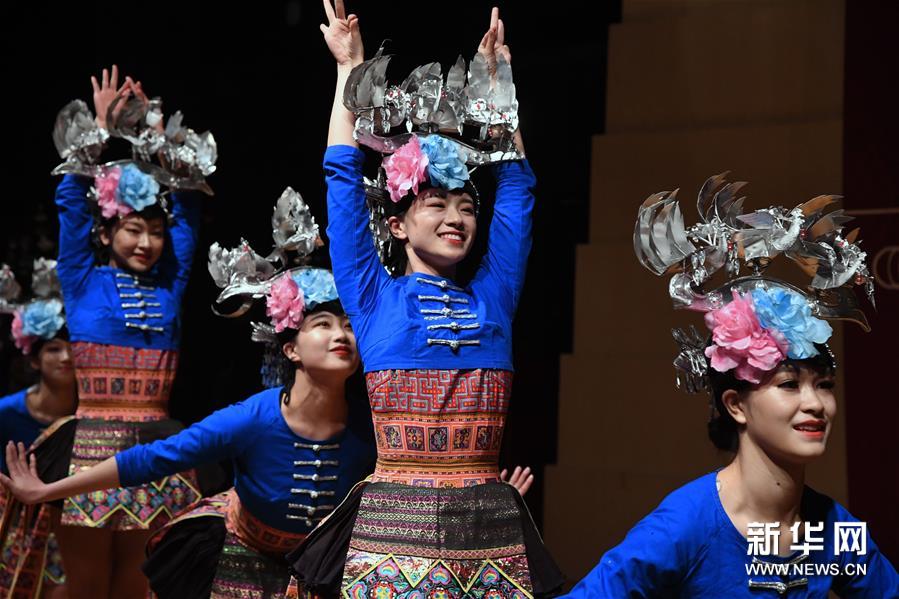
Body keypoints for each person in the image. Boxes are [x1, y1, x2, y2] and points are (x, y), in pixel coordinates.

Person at [289, 3, 561, 598]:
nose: (455, 217)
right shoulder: (372, 297)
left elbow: (518, 188)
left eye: (466, 207)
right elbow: (341, 178)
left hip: (487, 530)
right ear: (398, 225)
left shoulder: (494, 297)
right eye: (435, 205)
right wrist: (348, 72)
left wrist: (500, 91)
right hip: (392, 532)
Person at [567, 176, 899, 597]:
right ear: (735, 405)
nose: (816, 403)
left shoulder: (833, 528)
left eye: (825, 385)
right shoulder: (685, 526)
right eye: (789, 384)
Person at [0, 261, 75, 599]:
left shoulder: (93, 413)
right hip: (15, 525)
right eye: (53, 349)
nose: (66, 357)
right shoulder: (6, 413)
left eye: (72, 347)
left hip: (73, 525)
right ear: (34, 359)